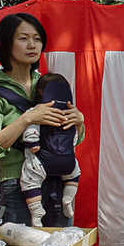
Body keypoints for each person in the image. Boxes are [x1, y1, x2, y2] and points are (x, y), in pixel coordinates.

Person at [0, 13, 85, 227]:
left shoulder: (50, 84)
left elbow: (72, 140)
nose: (32, 45)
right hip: (16, 185)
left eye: (37, 38)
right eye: (23, 38)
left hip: (58, 181)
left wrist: (78, 123)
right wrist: (28, 119)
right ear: (6, 44)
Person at [20, 73, 82, 227]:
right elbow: (75, 137)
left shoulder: (37, 111)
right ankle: (67, 199)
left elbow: (30, 132)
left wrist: (32, 145)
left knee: (30, 181)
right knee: (74, 174)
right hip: (67, 161)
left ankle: (36, 211)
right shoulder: (70, 113)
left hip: (42, 162)